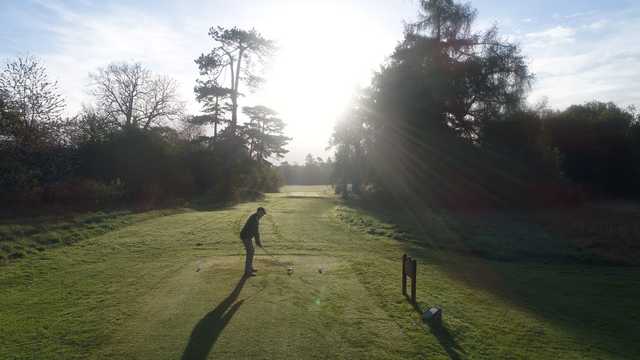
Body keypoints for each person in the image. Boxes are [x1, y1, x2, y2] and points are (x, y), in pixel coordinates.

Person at [239, 207, 266, 277]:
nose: (262, 215)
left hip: (248, 237)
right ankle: (248, 271)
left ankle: (250, 268)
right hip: (245, 237)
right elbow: (256, 232)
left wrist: (258, 242)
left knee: (251, 251)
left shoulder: (256, 217)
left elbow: (256, 232)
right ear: (259, 212)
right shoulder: (254, 219)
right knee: (250, 252)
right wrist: (258, 242)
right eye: (262, 213)